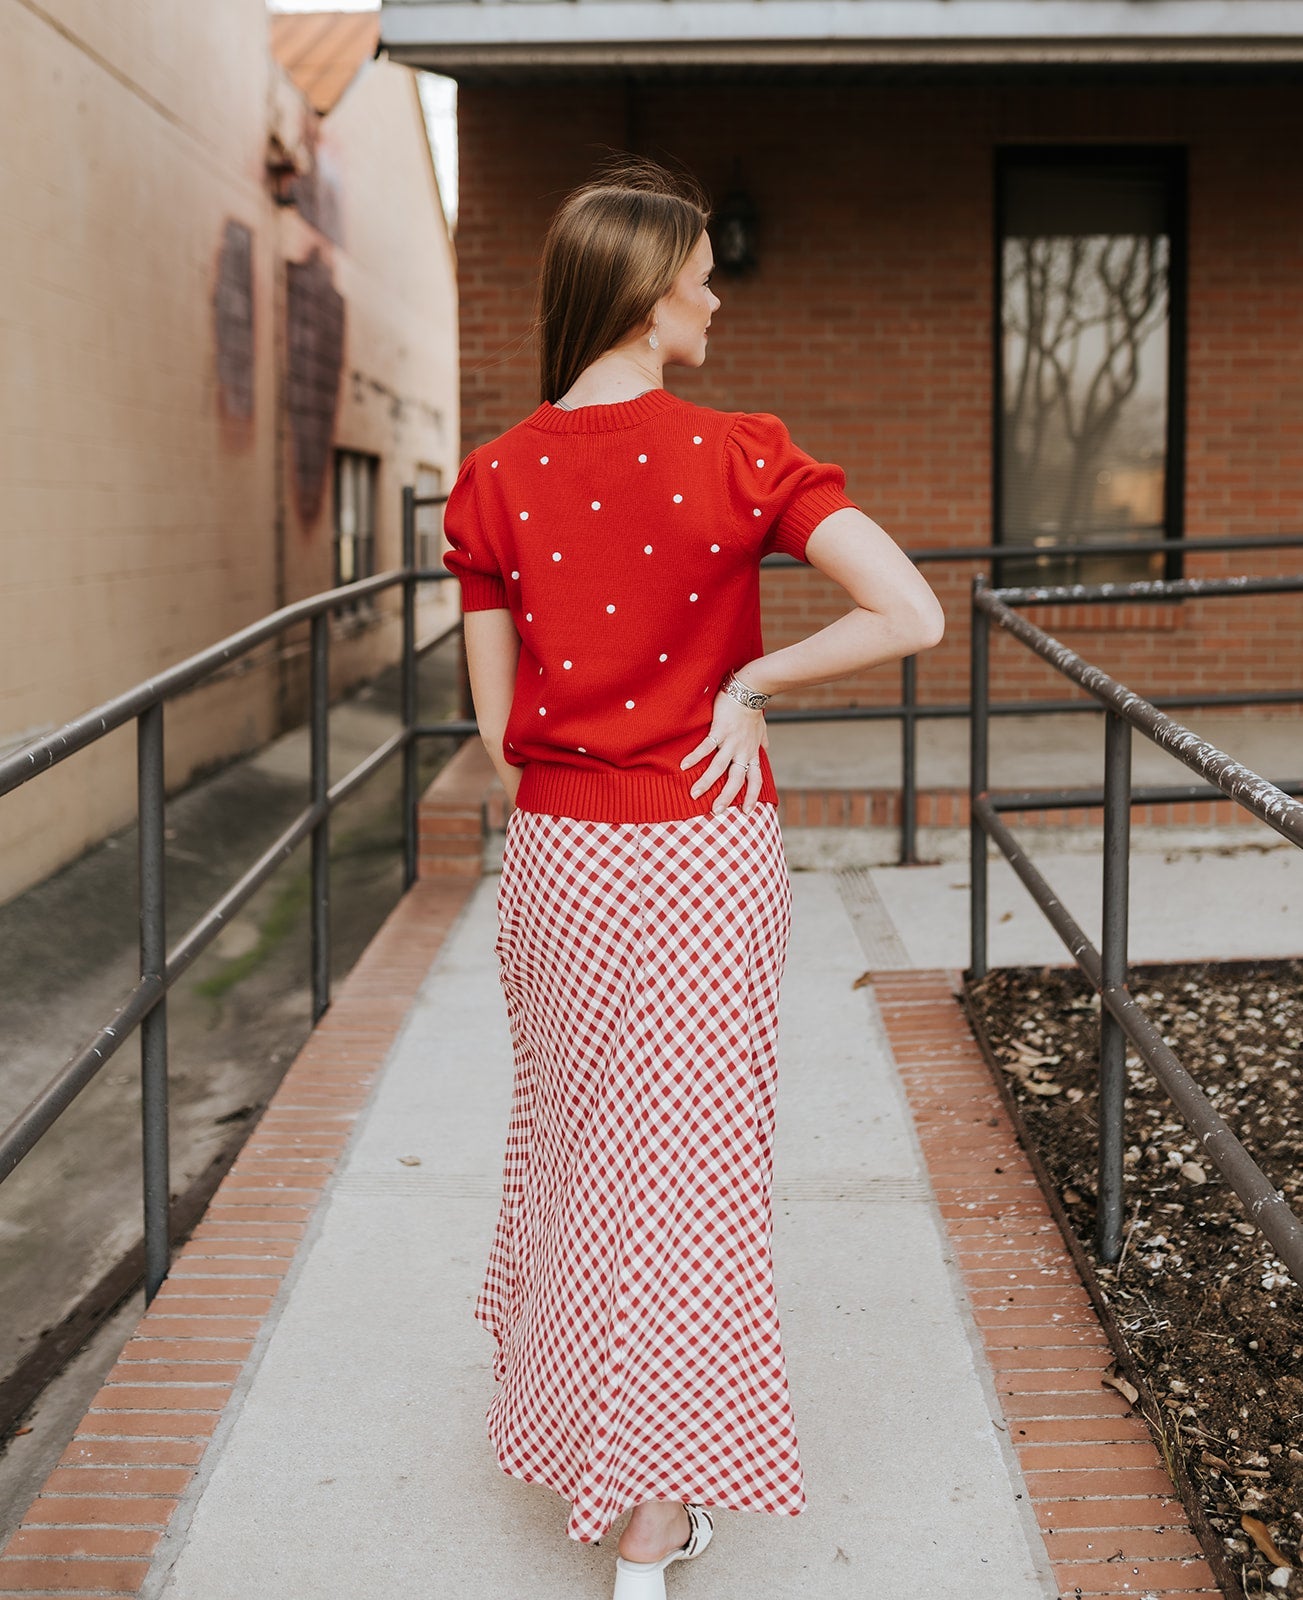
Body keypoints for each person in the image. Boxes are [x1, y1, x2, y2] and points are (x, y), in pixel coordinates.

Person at [442, 156, 944, 1598]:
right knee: (695, 1176)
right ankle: (655, 1520)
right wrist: (750, 684)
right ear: (652, 291)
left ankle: (597, 1467)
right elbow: (907, 612)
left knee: (583, 1154)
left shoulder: (492, 478)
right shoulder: (741, 452)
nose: (716, 292)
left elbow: (491, 733)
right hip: (706, 852)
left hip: (563, 855)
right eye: (703, 271)